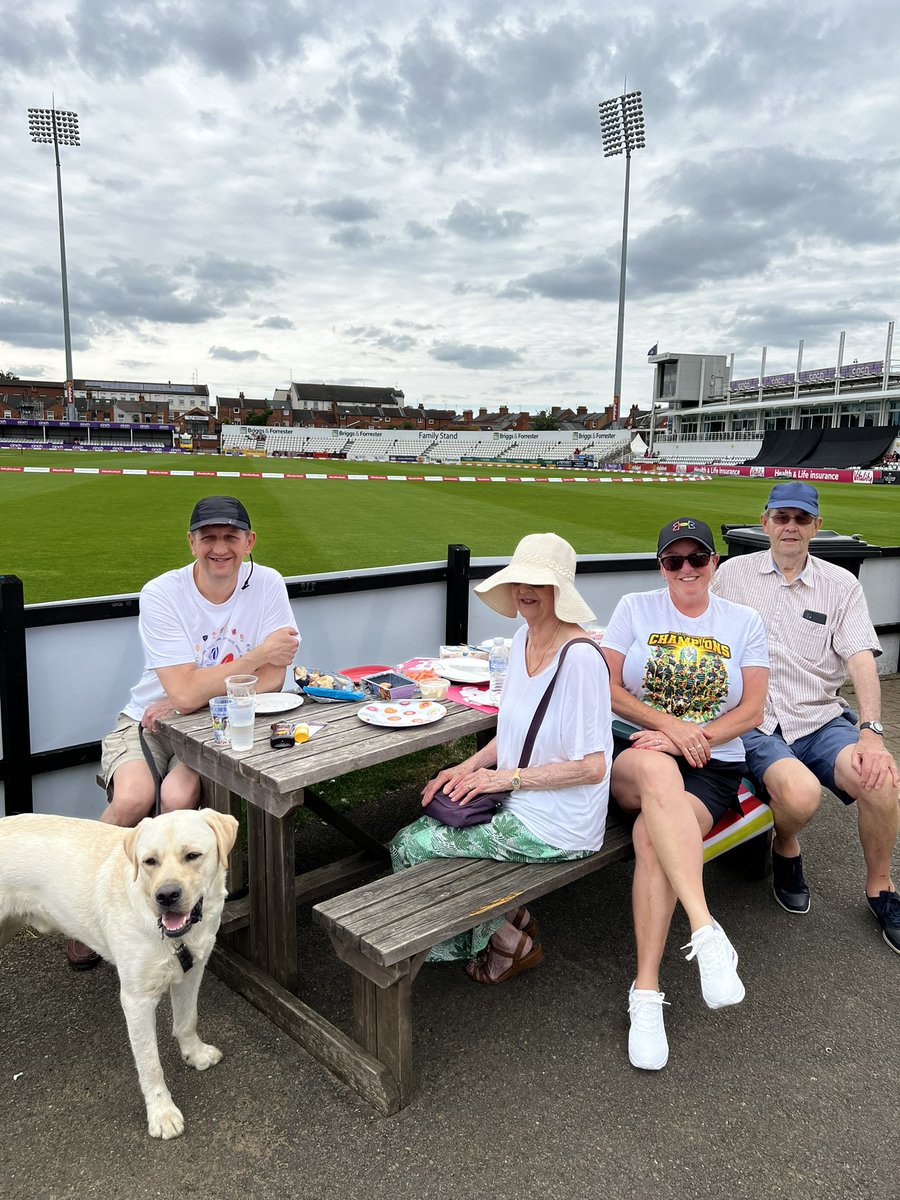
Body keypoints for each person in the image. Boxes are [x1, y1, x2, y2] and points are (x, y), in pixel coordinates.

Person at [68, 495, 299, 969]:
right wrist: (253, 658)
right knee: (133, 798)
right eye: (208, 536)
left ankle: (185, 906)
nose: (219, 548)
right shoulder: (162, 592)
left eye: (230, 536)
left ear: (249, 541)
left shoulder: (268, 583)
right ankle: (83, 909)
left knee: (176, 797)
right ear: (190, 541)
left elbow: (276, 680)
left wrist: (191, 692)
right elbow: (250, 673)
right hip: (148, 719)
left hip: (218, 723)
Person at [390, 532, 612, 984]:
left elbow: (593, 766)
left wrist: (500, 780)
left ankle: (507, 942)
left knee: (409, 846)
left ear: (561, 593)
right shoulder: (521, 638)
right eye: (519, 581)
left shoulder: (581, 659)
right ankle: (511, 926)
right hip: (522, 804)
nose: (525, 591)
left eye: (540, 583)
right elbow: (513, 732)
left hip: (559, 824)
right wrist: (467, 767)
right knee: (426, 825)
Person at [601, 517, 769, 1071]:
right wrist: (668, 729)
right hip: (639, 753)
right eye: (673, 560)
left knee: (653, 836)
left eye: (697, 558)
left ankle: (645, 993)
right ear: (661, 568)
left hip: (710, 764)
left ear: (714, 563)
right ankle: (705, 927)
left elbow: (752, 712)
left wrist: (695, 737)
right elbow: (609, 688)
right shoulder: (634, 608)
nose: (686, 570)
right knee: (654, 769)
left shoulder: (743, 621)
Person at [712, 482, 899, 953]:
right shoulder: (732, 573)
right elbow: (687, 615)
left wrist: (871, 732)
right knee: (799, 797)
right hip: (753, 720)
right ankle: (786, 844)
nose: (790, 527)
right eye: (781, 517)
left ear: (816, 525)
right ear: (765, 523)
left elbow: (860, 659)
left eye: (800, 518)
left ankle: (881, 886)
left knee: (882, 781)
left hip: (818, 718)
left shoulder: (842, 585)